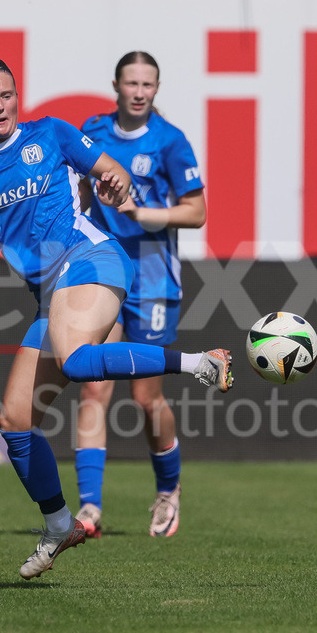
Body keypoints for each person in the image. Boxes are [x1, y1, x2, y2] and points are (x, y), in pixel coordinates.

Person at [0, 56, 233, 580]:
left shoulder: (51, 133)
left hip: (92, 259)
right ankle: (59, 524)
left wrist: (116, 185)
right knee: (14, 422)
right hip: (53, 296)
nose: (1, 105)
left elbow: (108, 171)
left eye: (7, 94)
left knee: (75, 360)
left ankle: (200, 363)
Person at [73, 51, 207, 540]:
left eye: (147, 84)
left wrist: (144, 215)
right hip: (105, 274)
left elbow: (197, 212)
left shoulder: (170, 142)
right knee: (93, 385)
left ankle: (168, 490)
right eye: (131, 82)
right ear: (116, 85)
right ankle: (89, 509)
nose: (138, 91)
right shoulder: (95, 130)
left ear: (156, 88)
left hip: (153, 281)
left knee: (146, 394)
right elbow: (84, 191)